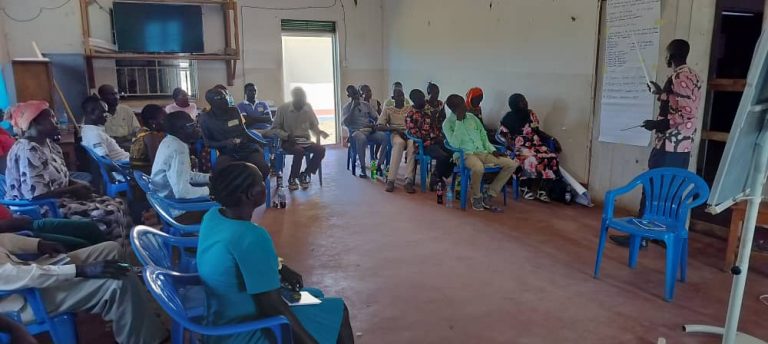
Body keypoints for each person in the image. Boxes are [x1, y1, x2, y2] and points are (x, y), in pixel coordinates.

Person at [197, 162, 354, 344]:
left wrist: (280, 268)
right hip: (243, 331)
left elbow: (240, 259)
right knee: (338, 310)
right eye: (261, 182)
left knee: (313, 294)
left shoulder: (213, 216)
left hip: (217, 321)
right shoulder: (252, 236)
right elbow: (273, 308)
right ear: (250, 194)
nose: (265, 184)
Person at [610, 39, 703, 248]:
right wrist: (661, 93)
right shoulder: (692, 74)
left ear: (670, 56)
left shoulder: (679, 76)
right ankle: (662, 234)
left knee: (653, 186)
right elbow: (681, 101)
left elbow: (687, 113)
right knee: (672, 189)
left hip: (670, 143)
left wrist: (658, 124)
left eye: (666, 54)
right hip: (683, 145)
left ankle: (640, 236)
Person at [0, 234, 167, 344]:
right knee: (117, 282)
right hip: (20, 299)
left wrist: (38, 244)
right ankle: (146, 339)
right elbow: (9, 276)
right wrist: (80, 270)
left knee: (111, 249)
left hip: (27, 274)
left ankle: (139, 317)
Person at [5, 101, 131, 240]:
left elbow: (60, 177)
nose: (56, 121)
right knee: (109, 213)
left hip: (59, 199)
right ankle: (105, 254)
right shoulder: (28, 150)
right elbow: (36, 195)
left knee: (119, 204)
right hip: (40, 208)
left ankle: (119, 253)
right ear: (34, 122)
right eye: (51, 117)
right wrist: (74, 189)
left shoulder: (49, 145)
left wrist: (77, 184)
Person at [443, 94, 518, 211]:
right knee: (478, 168)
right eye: (460, 105)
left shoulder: (473, 118)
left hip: (483, 152)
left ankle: (489, 193)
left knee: (511, 164)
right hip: (464, 155)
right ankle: (476, 197)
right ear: (453, 108)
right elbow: (454, 145)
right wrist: (458, 121)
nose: (465, 106)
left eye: (463, 102)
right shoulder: (448, 124)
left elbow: (483, 137)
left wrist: (493, 150)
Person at [152, 111, 210, 224]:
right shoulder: (179, 149)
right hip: (177, 212)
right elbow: (182, 192)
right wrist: (210, 190)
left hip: (164, 204)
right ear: (181, 130)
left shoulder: (169, 140)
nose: (197, 128)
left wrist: (209, 178)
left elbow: (184, 175)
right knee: (225, 205)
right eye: (192, 125)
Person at [500, 94, 561, 202]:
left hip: (534, 144)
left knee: (551, 156)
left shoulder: (531, 114)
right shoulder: (508, 118)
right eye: (521, 101)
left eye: (525, 100)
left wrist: (552, 139)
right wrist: (510, 145)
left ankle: (543, 189)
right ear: (514, 105)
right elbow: (502, 135)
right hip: (518, 146)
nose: (525, 102)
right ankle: (524, 187)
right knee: (531, 158)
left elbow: (537, 130)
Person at [198, 87, 270, 177]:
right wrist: (225, 143)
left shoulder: (234, 111)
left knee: (263, 168)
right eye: (220, 98)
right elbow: (208, 143)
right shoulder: (205, 118)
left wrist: (262, 143)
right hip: (227, 153)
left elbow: (244, 132)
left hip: (247, 149)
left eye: (225, 96)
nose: (225, 100)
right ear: (211, 102)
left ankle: (255, 188)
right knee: (219, 173)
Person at [273, 87, 329, 190]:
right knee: (299, 151)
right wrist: (287, 136)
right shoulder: (283, 108)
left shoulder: (307, 107)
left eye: (304, 99)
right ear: (294, 98)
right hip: (288, 140)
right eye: (300, 99)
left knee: (321, 150)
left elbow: (313, 126)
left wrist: (319, 132)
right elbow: (275, 128)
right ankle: (292, 178)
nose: (302, 102)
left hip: (304, 140)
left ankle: (305, 174)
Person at [405, 89, 453, 193]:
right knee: (443, 156)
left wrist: (435, 122)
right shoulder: (410, 115)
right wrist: (431, 139)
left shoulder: (427, 111)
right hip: (424, 145)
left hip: (435, 140)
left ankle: (438, 175)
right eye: (421, 99)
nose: (424, 100)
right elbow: (416, 134)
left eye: (423, 97)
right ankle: (436, 178)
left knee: (454, 154)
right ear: (414, 100)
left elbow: (434, 127)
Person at [0, 204, 106, 251]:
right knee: (82, 245)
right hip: (18, 234)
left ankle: (117, 264)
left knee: (89, 227)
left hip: (25, 222)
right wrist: (15, 221)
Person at [342, 85, 386, 178]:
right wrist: (353, 108)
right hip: (356, 131)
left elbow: (377, 118)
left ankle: (378, 166)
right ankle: (362, 169)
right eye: (353, 94)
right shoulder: (346, 107)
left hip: (368, 130)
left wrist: (374, 125)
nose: (356, 96)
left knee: (385, 137)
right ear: (348, 96)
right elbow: (345, 123)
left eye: (356, 93)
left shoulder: (366, 105)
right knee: (361, 138)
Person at [376, 88, 410, 192]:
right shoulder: (388, 109)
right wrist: (394, 128)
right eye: (398, 96)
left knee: (413, 145)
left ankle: (409, 180)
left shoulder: (409, 109)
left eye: (402, 96)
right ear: (393, 98)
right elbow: (379, 126)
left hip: (409, 134)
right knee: (399, 143)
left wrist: (409, 133)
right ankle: (391, 180)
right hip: (395, 133)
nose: (401, 98)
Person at [81, 95, 131, 162]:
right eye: (103, 113)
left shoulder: (87, 129)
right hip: (127, 165)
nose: (107, 117)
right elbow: (105, 161)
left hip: (127, 161)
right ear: (92, 112)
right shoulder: (94, 135)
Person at [98, 84, 140, 150]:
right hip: (109, 148)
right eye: (111, 94)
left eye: (116, 94)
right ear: (102, 97)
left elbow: (137, 131)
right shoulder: (97, 114)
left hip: (127, 145)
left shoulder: (126, 110)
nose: (116, 97)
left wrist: (123, 139)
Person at [129, 104, 166, 174]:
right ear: (152, 122)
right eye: (163, 119)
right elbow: (157, 165)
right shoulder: (151, 137)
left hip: (137, 176)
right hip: (145, 179)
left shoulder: (141, 132)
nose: (167, 122)